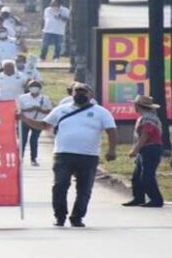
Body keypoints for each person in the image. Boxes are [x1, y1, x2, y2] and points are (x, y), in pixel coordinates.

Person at [20, 83, 117, 227]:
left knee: (84, 189)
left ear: (90, 95)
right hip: (63, 154)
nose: (79, 94)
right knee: (60, 185)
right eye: (76, 91)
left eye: (83, 92)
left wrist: (111, 150)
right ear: (71, 94)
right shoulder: (61, 110)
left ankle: (77, 217)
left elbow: (111, 130)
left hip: (88, 155)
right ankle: (60, 216)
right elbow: (43, 125)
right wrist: (24, 118)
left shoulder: (101, 112)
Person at [122, 95, 164, 207]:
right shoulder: (145, 117)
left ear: (138, 106)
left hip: (151, 148)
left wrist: (135, 149)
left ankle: (156, 199)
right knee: (136, 176)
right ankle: (138, 197)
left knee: (147, 175)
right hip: (145, 149)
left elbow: (145, 135)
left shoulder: (148, 118)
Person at [16, 81, 52, 166]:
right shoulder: (22, 98)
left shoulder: (45, 98)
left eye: (36, 86)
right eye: (32, 86)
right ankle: (20, 158)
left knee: (34, 140)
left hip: (38, 122)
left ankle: (34, 159)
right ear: (28, 88)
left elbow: (49, 110)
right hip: (25, 121)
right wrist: (29, 109)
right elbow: (17, 111)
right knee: (23, 140)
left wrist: (40, 110)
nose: (34, 88)